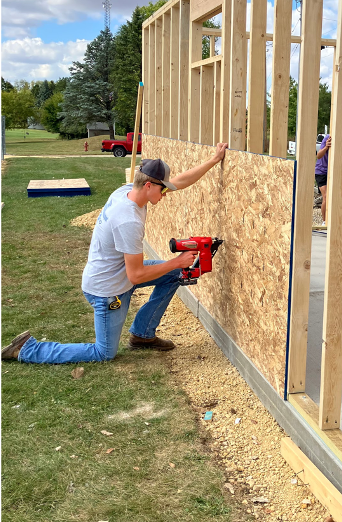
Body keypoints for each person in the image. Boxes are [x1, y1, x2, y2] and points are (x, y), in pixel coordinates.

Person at [1, 145, 228, 364]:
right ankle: (28, 349)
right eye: (163, 189)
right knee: (104, 352)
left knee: (175, 273)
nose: (166, 193)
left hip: (115, 274)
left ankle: (142, 335)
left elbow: (180, 181)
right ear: (148, 185)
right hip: (106, 290)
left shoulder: (128, 191)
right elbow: (136, 276)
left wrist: (213, 159)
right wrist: (177, 261)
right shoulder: (128, 220)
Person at [315, 134, 332, 223]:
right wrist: (326, 147)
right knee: (326, 196)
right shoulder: (328, 138)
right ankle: (324, 221)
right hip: (321, 171)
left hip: (332, 172)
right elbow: (319, 156)